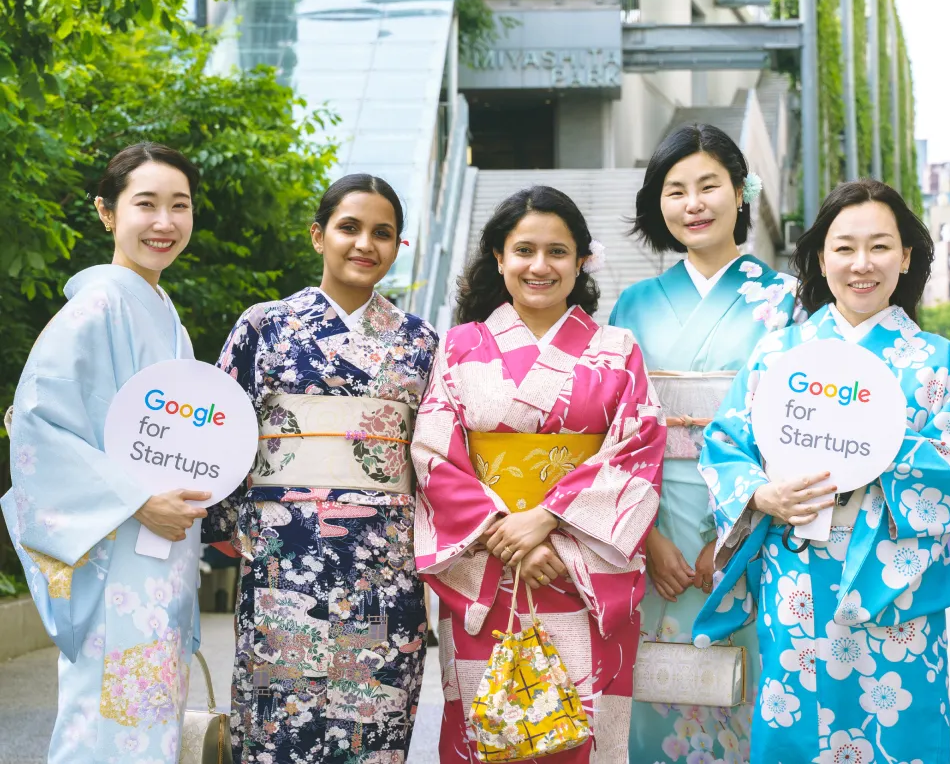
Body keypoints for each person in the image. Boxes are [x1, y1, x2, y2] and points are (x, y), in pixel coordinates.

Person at [696, 179, 950, 764]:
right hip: (797, 575)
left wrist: (877, 466)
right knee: (794, 733)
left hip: (895, 585)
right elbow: (726, 443)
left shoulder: (938, 361)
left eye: (881, 246)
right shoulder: (778, 353)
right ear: (820, 257)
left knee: (901, 731)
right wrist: (761, 494)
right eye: (844, 247)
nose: (862, 264)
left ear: (907, 257)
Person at [412, 185, 666, 763]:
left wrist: (547, 519)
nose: (539, 266)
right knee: (485, 730)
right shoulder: (457, 348)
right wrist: (504, 530)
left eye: (558, 251)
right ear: (499, 258)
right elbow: (433, 454)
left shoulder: (618, 349)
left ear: (581, 261)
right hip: (487, 564)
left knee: (586, 731)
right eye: (523, 250)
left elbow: (638, 449)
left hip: (580, 570)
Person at [203, 174, 437, 763]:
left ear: (398, 247)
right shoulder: (264, 326)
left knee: (374, 717)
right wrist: (233, 527)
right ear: (318, 236)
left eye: (383, 234)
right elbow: (221, 429)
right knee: (279, 715)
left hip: (384, 558)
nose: (365, 244)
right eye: (349, 228)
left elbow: (436, 452)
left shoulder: (420, 342)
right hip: (284, 550)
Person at [1, 143, 208, 762]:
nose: (165, 222)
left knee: (145, 716)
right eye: (146, 204)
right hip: (117, 548)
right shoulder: (95, 308)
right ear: (107, 213)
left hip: (157, 552)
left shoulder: (163, 312)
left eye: (180, 206)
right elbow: (39, 428)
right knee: (108, 719)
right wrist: (140, 498)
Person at [608, 123, 803, 763]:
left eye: (709, 186)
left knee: (747, 687)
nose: (693, 204)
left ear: (741, 193)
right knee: (656, 687)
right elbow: (615, 431)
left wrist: (738, 530)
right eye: (675, 190)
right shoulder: (632, 305)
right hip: (652, 511)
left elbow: (797, 430)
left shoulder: (787, 302)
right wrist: (648, 537)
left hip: (751, 521)